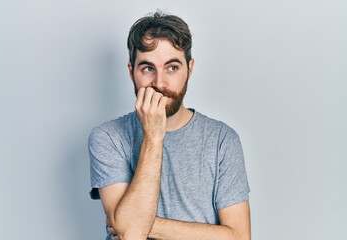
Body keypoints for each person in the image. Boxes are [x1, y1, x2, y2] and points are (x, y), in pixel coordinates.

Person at [89, 10, 251, 240]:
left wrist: (139, 223)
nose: (159, 83)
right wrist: (154, 136)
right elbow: (131, 236)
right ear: (131, 72)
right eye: (147, 68)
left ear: (190, 69)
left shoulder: (222, 140)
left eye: (172, 67)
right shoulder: (108, 137)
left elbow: (240, 238)